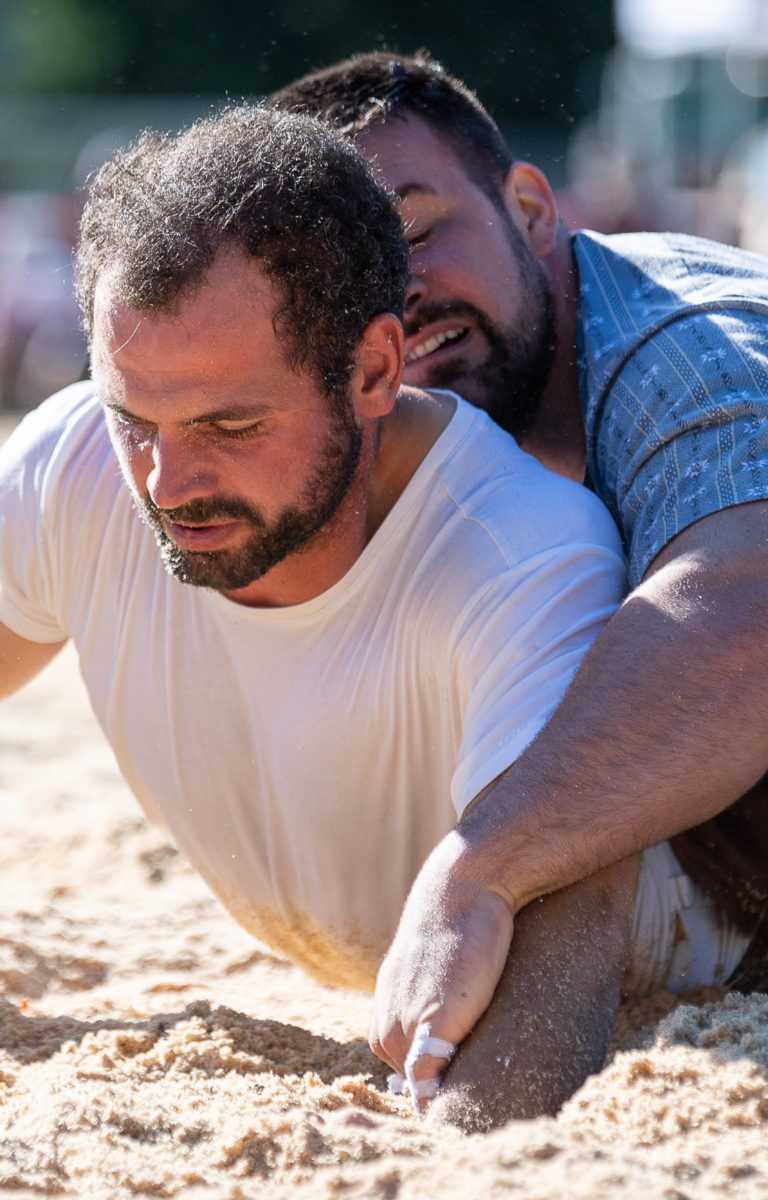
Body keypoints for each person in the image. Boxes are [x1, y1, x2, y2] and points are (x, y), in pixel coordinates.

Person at [0, 104, 636, 1127]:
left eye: (231, 424)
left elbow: (567, 917)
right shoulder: (75, 466)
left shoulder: (520, 551)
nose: (167, 483)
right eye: (135, 419)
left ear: (376, 370)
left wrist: (463, 1160)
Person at [269, 52, 768, 1114]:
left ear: (530, 207)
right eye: (339, 282)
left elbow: (744, 618)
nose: (389, 295)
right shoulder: (449, 445)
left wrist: (479, 871)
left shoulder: (683, 349)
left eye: (410, 231)